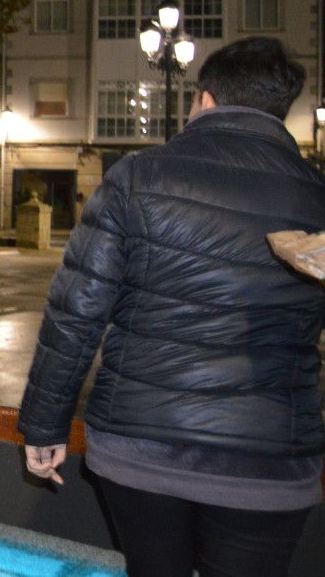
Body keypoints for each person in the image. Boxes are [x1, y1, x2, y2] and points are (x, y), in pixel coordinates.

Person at [18, 37, 325, 577]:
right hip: (268, 461)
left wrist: (44, 427)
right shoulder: (315, 194)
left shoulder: (138, 177)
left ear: (205, 100)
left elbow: (76, 313)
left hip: (141, 449)